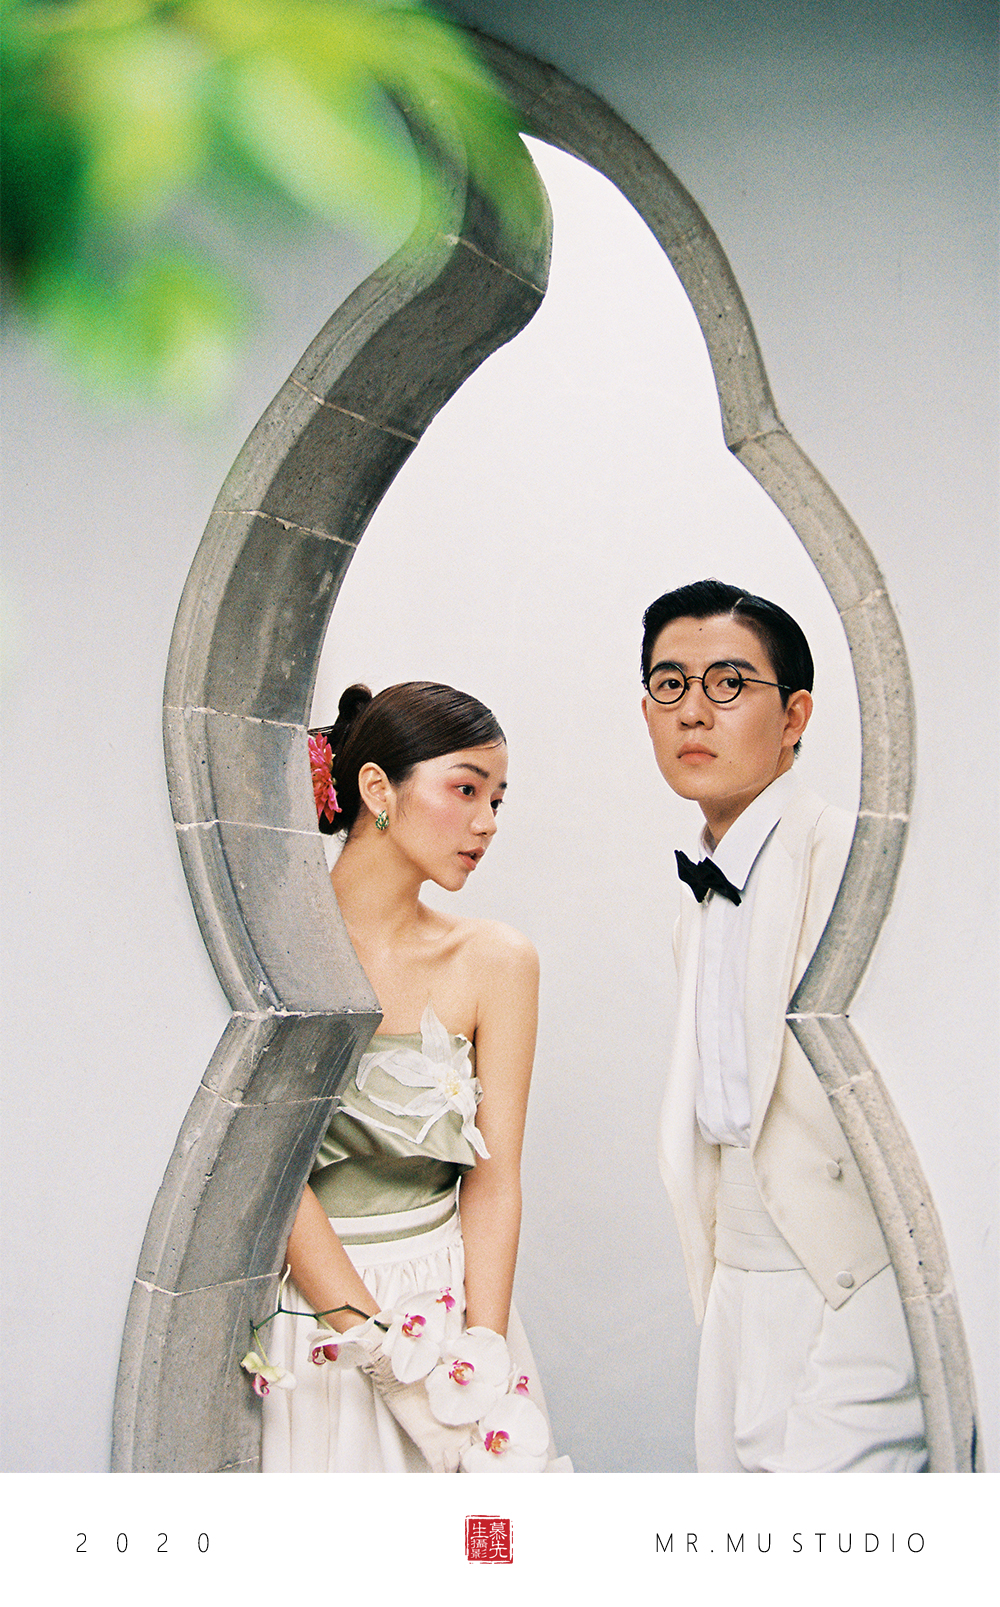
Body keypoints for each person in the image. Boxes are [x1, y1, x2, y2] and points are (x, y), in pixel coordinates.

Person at [641, 578, 926, 1473]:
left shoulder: (851, 857)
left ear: (795, 714)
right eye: (669, 684)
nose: (694, 711)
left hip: (852, 1280)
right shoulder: (697, 898)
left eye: (729, 683)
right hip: (734, 1283)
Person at [259, 680, 566, 1474]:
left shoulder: (497, 961)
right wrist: (380, 1356)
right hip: (316, 1320)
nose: (487, 821)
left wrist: (482, 1358)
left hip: (451, 1307)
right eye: (466, 789)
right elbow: (272, 1179)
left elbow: (494, 1180)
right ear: (377, 788)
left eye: (497, 799)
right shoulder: (273, 952)